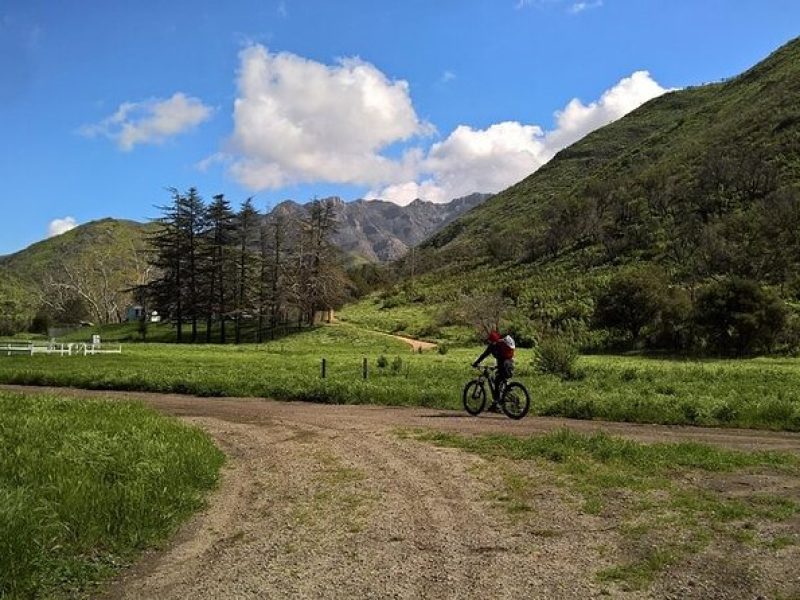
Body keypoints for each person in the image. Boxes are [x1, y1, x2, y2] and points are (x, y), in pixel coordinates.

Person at [472, 330, 515, 411]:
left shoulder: (492, 346)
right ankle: (495, 405)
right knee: (498, 381)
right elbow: (503, 358)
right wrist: (495, 367)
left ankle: (497, 402)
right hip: (509, 365)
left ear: (491, 340)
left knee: (496, 381)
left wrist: (476, 363)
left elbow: (483, 355)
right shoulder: (501, 344)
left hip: (503, 366)